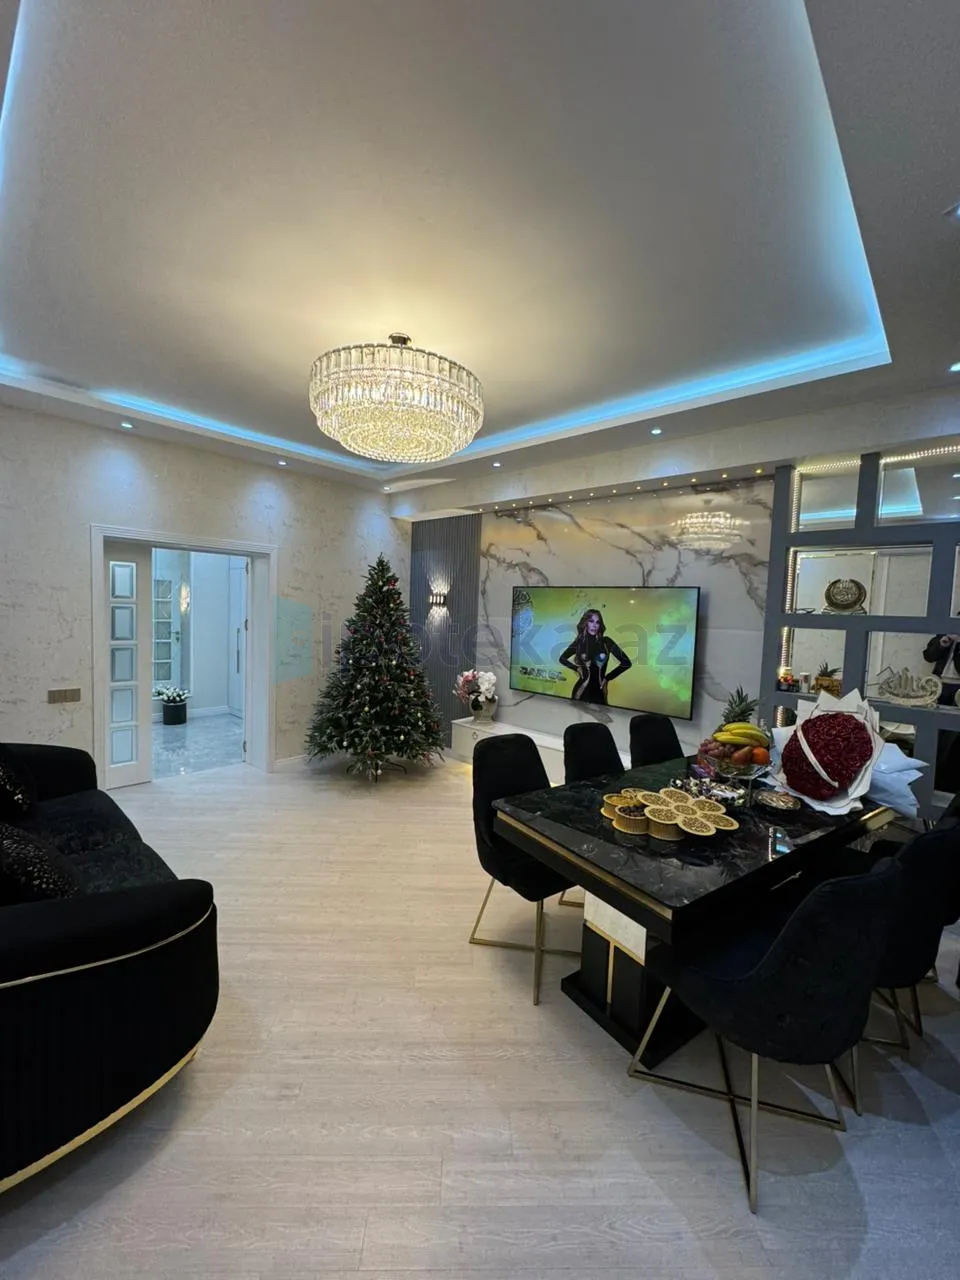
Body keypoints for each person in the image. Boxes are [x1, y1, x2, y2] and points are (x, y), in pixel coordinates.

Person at [558, 609, 631, 705]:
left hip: (599, 690)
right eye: (591, 621)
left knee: (602, 714)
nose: (594, 625)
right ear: (585, 623)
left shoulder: (606, 642)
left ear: (600, 625)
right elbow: (562, 659)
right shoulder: (579, 642)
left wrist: (607, 678)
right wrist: (576, 668)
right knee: (577, 713)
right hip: (581, 691)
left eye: (597, 622)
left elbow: (626, 663)